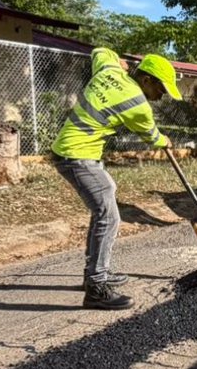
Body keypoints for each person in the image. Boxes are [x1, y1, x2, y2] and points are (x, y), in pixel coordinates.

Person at [51, 49, 181, 310]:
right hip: (77, 156)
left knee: (105, 199)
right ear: (146, 80)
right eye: (161, 88)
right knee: (108, 216)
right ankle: (96, 288)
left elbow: (100, 52)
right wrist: (164, 141)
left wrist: (118, 62)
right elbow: (152, 136)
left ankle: (95, 272)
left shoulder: (108, 70)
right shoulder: (138, 105)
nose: (163, 95)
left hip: (70, 151)